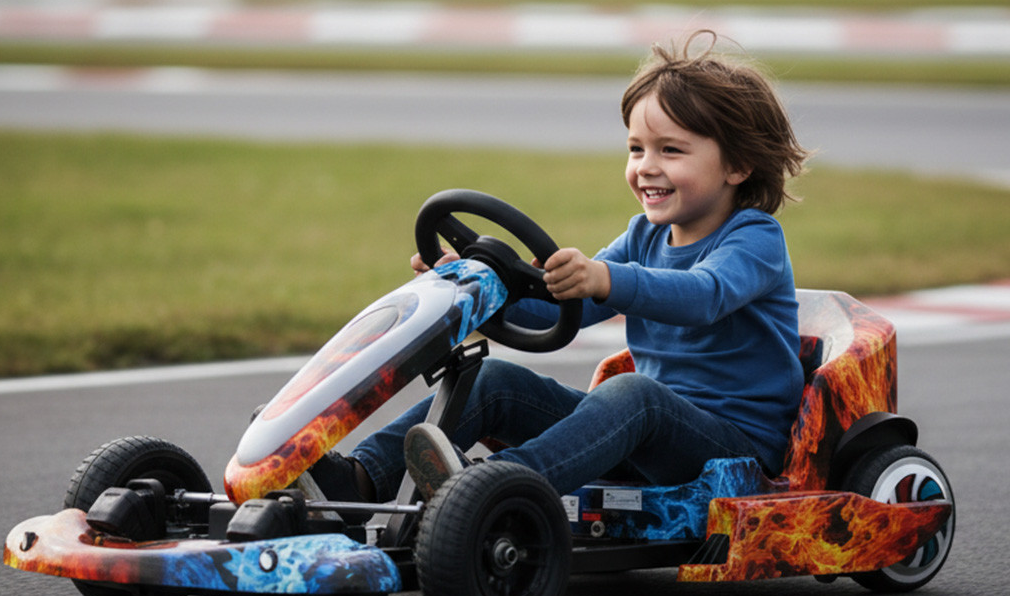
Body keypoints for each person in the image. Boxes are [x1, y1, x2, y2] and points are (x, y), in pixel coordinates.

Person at [309, 30, 811, 507]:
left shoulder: (755, 237)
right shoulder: (643, 235)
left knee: (636, 394)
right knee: (494, 380)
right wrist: (472, 291)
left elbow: (704, 296)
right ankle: (360, 477)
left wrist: (604, 278)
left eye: (670, 150)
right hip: (641, 435)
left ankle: (493, 489)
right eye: (636, 149)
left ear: (738, 166)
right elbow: (553, 314)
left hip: (732, 448)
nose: (646, 166)